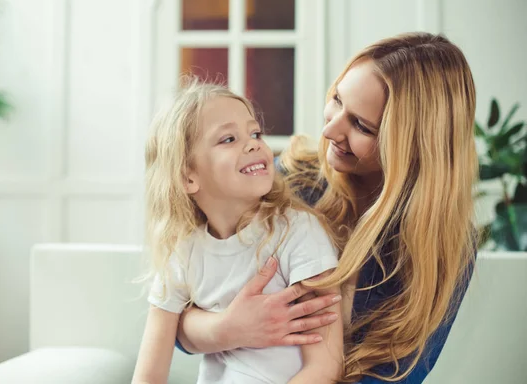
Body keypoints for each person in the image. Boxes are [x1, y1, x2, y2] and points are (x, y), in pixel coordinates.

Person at [175, 32, 478, 383]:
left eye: (362, 125)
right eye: (337, 99)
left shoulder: (437, 250)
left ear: (413, 148)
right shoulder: (285, 180)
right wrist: (228, 328)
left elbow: (393, 376)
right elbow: (176, 313)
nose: (331, 129)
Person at [132, 78, 345, 384]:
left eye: (255, 132)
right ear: (188, 177)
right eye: (228, 139)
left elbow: (324, 369)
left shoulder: (298, 232)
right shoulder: (182, 252)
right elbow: (148, 374)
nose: (254, 143)